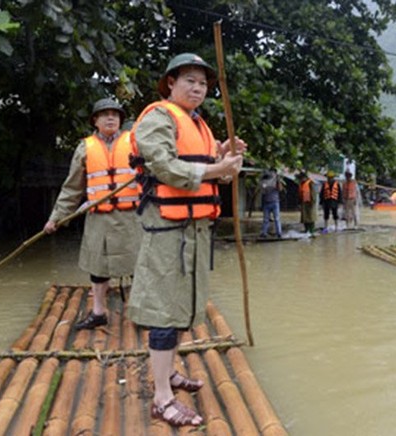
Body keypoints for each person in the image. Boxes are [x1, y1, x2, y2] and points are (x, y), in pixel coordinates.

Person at [127, 53, 246, 427]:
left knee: (181, 310)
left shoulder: (201, 125)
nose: (198, 88)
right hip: (166, 231)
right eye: (189, 80)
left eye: (204, 84)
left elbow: (217, 177)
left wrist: (224, 157)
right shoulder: (158, 118)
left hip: (194, 231)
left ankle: (169, 373)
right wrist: (216, 167)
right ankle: (162, 399)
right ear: (171, 84)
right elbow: (165, 167)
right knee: (164, 313)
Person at [43, 98, 141, 330]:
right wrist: (55, 218)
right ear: (95, 121)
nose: (110, 118)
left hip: (132, 218)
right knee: (98, 267)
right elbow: (72, 188)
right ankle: (99, 312)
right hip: (99, 219)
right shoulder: (85, 148)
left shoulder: (135, 144)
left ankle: (139, 311)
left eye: (115, 115)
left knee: (138, 266)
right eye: (105, 114)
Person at [259, 168, 282, 238]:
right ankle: (264, 233)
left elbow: (280, 189)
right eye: (271, 172)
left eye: (273, 173)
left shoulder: (276, 181)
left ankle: (279, 233)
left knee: (277, 219)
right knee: (266, 219)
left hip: (275, 202)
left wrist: (278, 180)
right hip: (266, 203)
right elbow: (262, 191)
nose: (272, 174)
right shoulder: (265, 181)